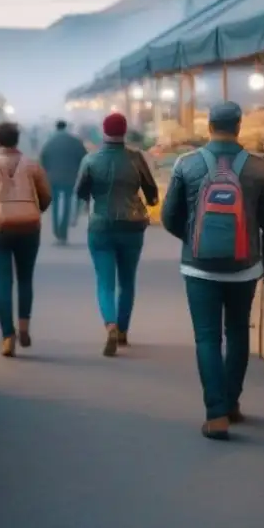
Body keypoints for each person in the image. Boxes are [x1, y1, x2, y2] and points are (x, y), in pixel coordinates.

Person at [161, 102, 264, 441]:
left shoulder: (186, 165)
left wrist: (192, 240)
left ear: (209, 126)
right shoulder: (260, 168)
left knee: (207, 337)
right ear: (239, 126)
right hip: (245, 268)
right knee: (238, 332)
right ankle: (231, 403)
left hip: (199, 267)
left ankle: (215, 414)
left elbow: (169, 216)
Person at [75, 113, 158, 357]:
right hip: (132, 226)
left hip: (101, 225)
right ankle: (123, 330)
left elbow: (80, 192)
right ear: (124, 132)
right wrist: (147, 199)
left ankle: (109, 323)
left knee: (105, 282)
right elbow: (152, 192)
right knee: (128, 280)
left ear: (104, 131)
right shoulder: (135, 158)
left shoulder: (91, 159)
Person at [0, 123, 52, 357]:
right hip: (29, 230)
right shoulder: (33, 166)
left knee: (3, 283)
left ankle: (8, 336)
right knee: (25, 279)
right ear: (17, 140)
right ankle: (24, 327)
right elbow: (46, 197)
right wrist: (32, 211)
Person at [40, 120, 88, 244]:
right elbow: (84, 158)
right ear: (66, 127)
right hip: (69, 177)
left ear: (56, 127)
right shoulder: (75, 141)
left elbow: (43, 158)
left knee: (55, 204)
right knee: (67, 203)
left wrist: (47, 172)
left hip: (53, 178)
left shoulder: (49, 142)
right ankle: (63, 231)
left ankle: (56, 230)